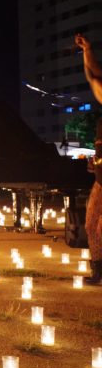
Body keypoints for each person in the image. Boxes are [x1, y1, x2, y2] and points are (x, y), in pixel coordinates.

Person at [76, 33, 102, 284]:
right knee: (91, 223)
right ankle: (98, 270)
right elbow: (93, 76)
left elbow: (94, 76)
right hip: (100, 179)